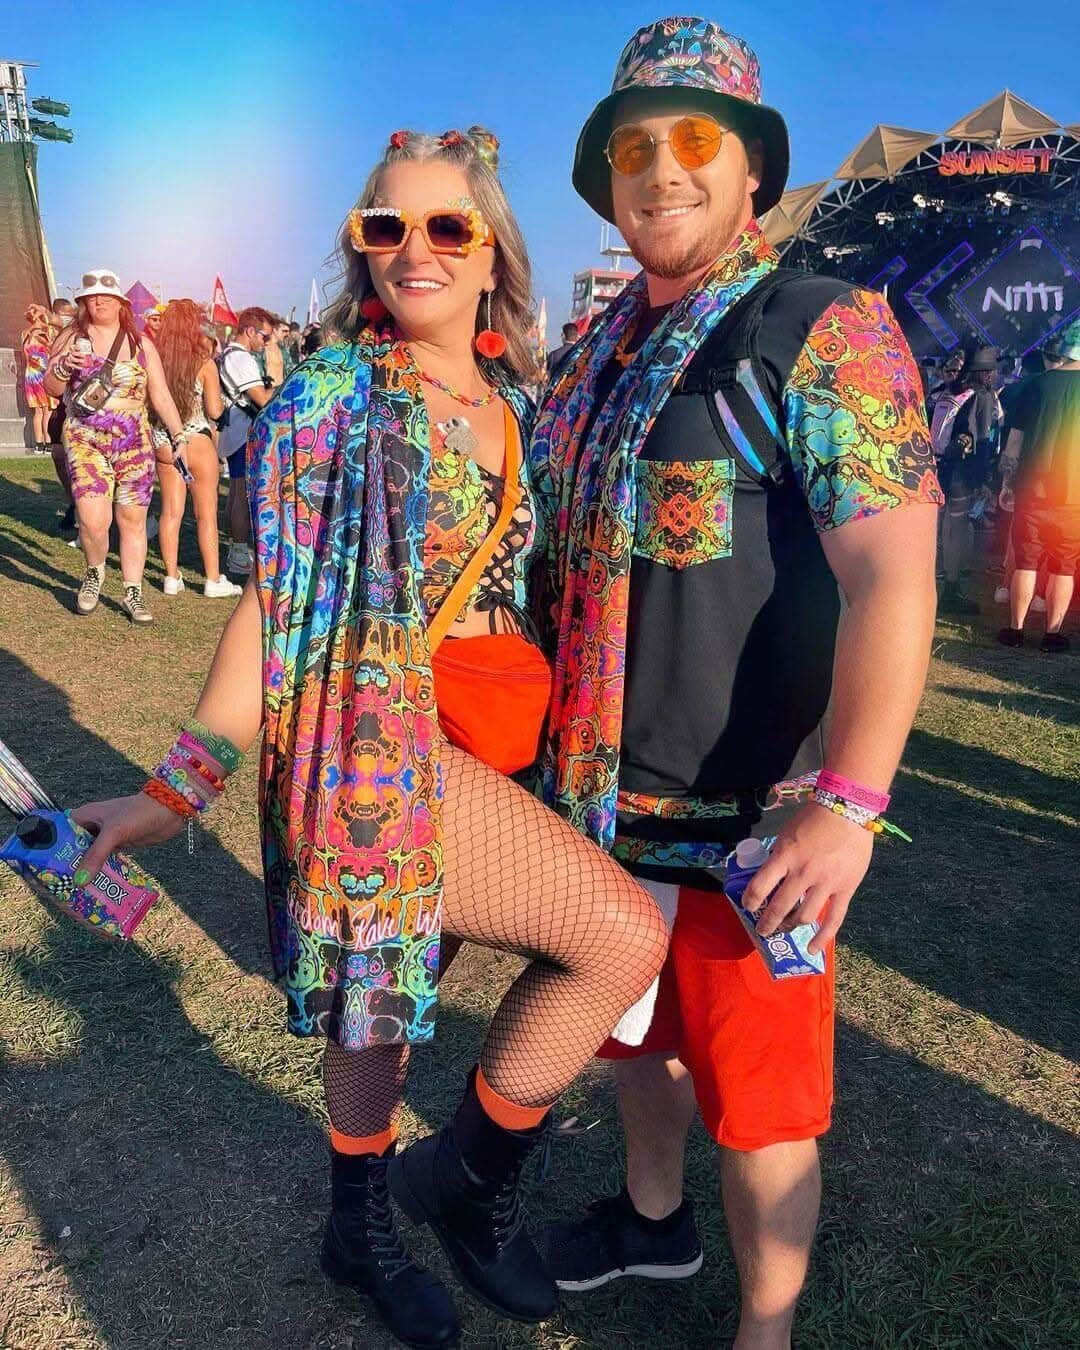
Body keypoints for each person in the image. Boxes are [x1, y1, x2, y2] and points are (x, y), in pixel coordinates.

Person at [68, 126, 668, 1350]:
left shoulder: (517, 400)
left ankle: (363, 1218)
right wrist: (172, 794)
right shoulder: (335, 394)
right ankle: (463, 1186)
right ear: (359, 247)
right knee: (616, 935)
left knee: (383, 1005)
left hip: (507, 744)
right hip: (381, 754)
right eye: (382, 227)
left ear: (491, 245)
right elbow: (272, 602)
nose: (413, 250)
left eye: (446, 226)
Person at [529, 19, 942, 1350]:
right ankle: (653, 1223)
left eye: (695, 139)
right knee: (630, 1041)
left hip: (756, 820)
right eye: (634, 144)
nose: (662, 168)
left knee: (765, 1105)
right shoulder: (589, 360)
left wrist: (849, 798)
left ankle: (765, 1333)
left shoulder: (822, 330)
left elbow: (891, 575)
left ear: (752, 169)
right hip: (597, 810)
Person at [44, 269, 191, 624]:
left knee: (133, 519)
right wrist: (63, 367)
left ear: (121, 303)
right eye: (92, 296)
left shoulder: (141, 343)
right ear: (83, 302)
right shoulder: (71, 337)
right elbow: (50, 387)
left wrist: (179, 436)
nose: (99, 301)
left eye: (107, 296)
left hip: (133, 440)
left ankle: (133, 591)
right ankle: (94, 570)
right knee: (94, 520)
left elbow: (160, 395)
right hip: (85, 437)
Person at [151, 298, 244, 599]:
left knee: (171, 512)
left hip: (165, 442)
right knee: (206, 515)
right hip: (197, 440)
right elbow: (215, 410)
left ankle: (170, 576)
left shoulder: (154, 361)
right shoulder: (204, 363)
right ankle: (213, 579)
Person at [997, 318, 1080, 652]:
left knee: (1026, 559)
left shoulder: (1035, 385)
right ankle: (1053, 634)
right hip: (1075, 494)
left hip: (1033, 486)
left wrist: (1006, 482)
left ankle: (1015, 630)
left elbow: (1014, 444)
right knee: (1065, 563)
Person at [217, 307, 276, 575]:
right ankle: (239, 551)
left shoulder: (231, 355)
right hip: (243, 431)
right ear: (250, 331)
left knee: (235, 493)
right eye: (265, 337)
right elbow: (262, 399)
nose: (265, 344)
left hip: (234, 430)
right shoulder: (241, 358)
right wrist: (276, 380)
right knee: (241, 493)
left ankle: (235, 547)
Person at [20, 303, 58, 455]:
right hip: (44, 372)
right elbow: (53, 349)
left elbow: (25, 355)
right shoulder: (47, 332)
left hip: (31, 374)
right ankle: (48, 442)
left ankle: (38, 444)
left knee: (38, 412)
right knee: (47, 411)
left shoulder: (24, 333)